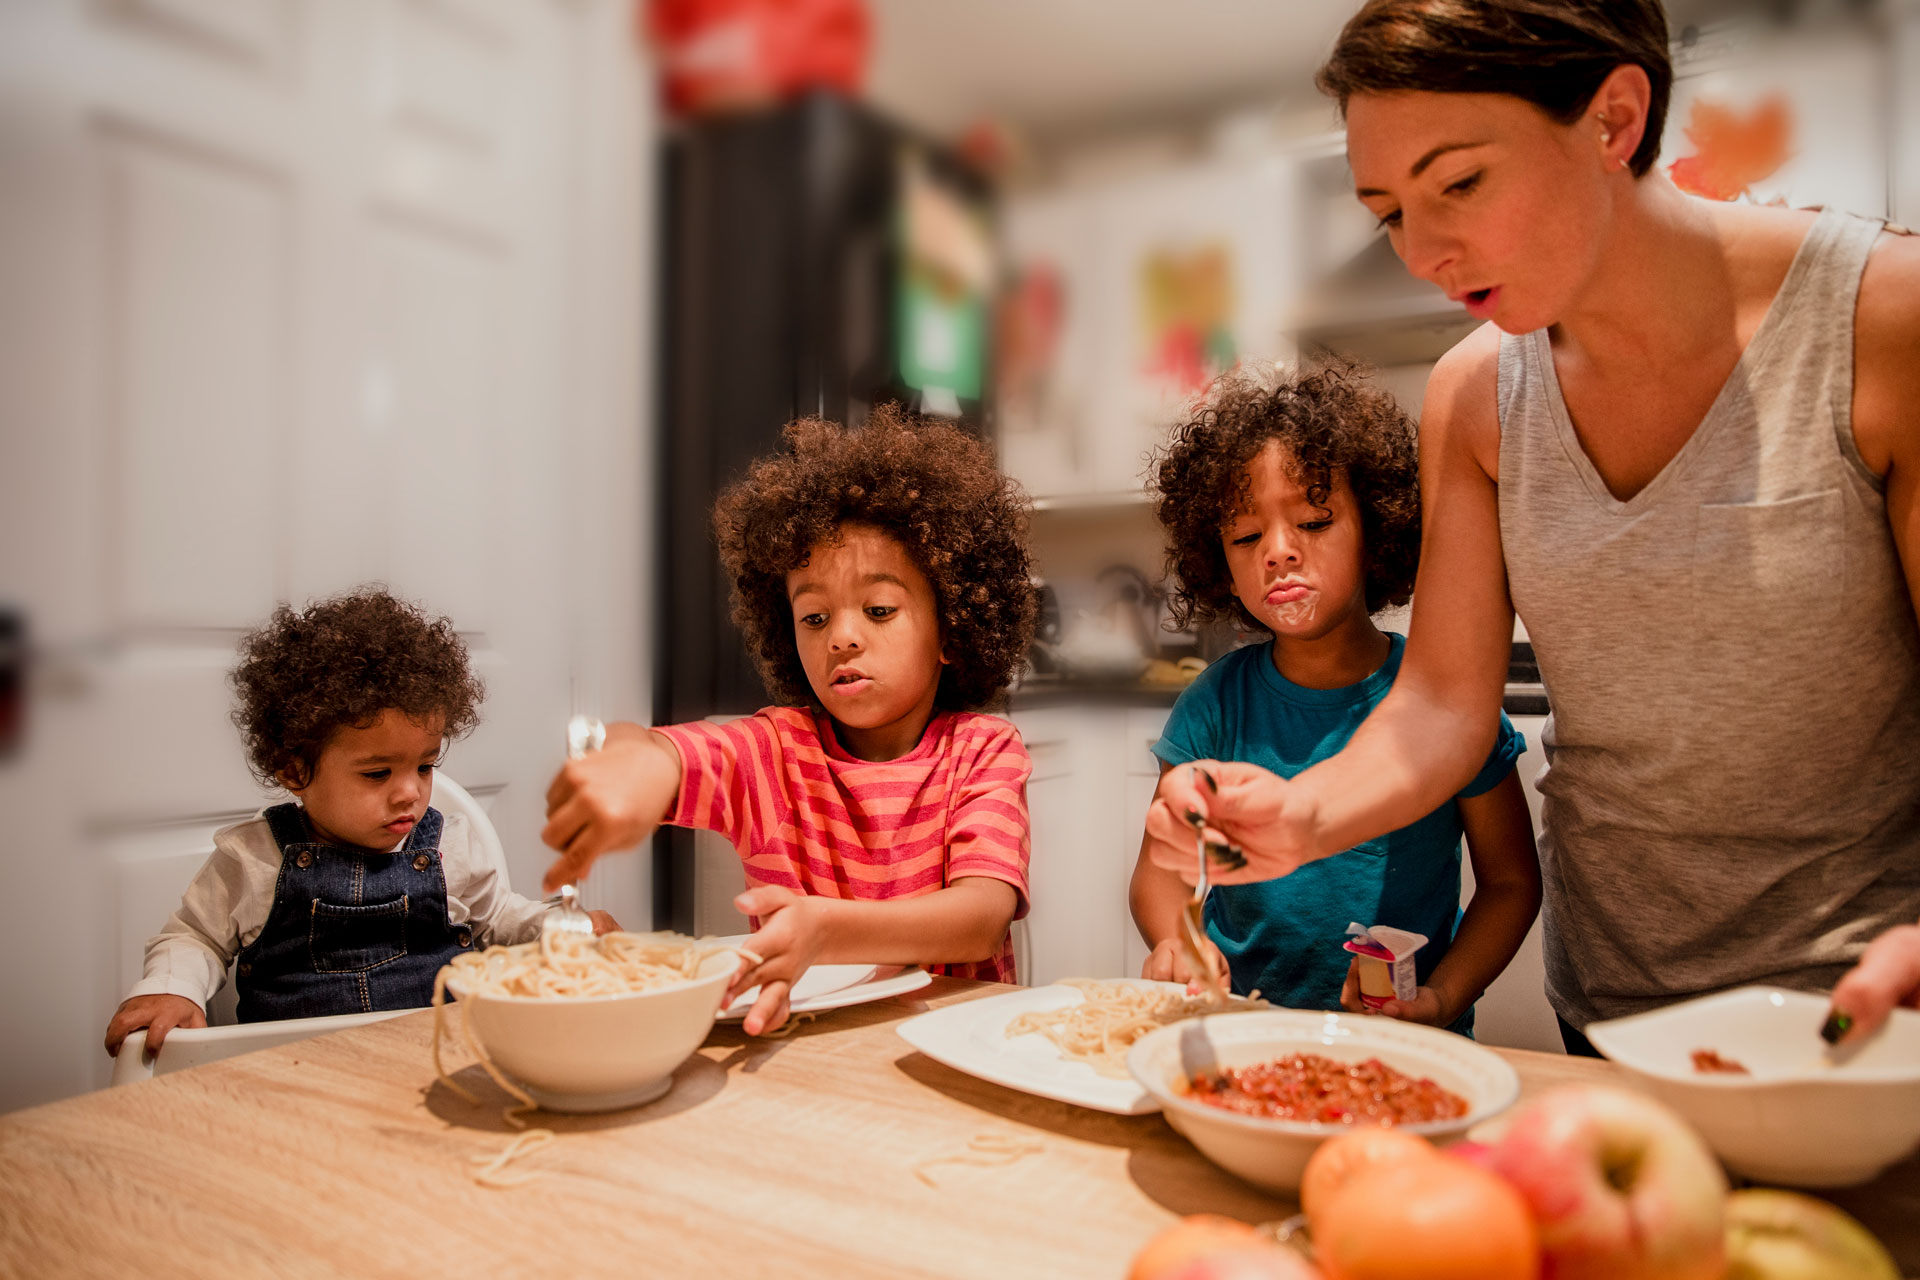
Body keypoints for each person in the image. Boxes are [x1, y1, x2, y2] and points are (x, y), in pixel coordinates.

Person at [1147, 0, 1920, 1055]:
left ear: (1614, 120)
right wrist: (1300, 816)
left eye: (1458, 183)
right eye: (1388, 212)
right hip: (1614, 998)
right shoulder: (1475, 398)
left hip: (1870, 1005)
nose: (1423, 250)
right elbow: (1441, 712)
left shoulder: (1883, 321)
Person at [539, 407, 1038, 1034]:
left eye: (879, 610)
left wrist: (826, 929)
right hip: (804, 1055)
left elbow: (980, 918)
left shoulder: (983, 750)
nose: (843, 638)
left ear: (952, 631)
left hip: (959, 1044)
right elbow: (664, 754)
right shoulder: (772, 751)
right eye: (815, 618)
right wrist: (633, 761)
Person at [1129, 366, 1539, 1034]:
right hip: (1245, 1030)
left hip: (1403, 1043)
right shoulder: (1216, 702)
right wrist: (1177, 939)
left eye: (1314, 521)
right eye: (1246, 536)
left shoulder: (1445, 701)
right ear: (1219, 562)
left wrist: (1442, 998)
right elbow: (1161, 874)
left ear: (1378, 527)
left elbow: (1511, 884)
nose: (1279, 552)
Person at [104, 588, 595, 1057]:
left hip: (438, 1061)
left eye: (425, 766)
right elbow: (194, 937)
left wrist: (561, 927)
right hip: (289, 1073)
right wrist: (172, 990)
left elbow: (498, 919)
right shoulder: (253, 859)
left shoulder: (450, 848)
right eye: (378, 773)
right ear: (295, 769)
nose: (410, 791)